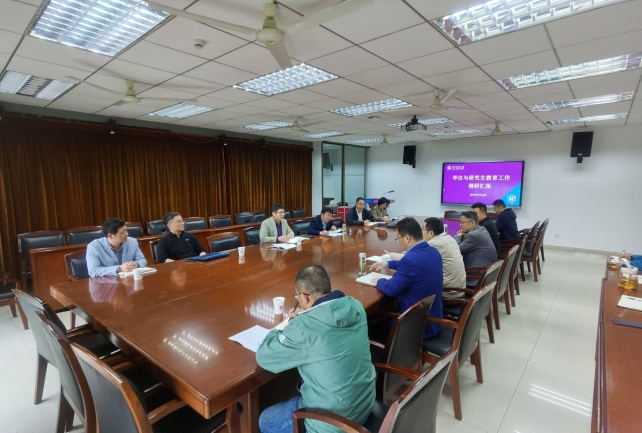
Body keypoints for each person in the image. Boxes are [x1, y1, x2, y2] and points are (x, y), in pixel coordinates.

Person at [256, 265, 375, 433]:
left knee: (267, 420)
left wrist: (285, 326)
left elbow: (264, 357)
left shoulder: (303, 327)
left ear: (305, 297)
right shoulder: (355, 306)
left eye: (297, 296)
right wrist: (304, 317)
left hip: (332, 424)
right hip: (364, 404)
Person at [369, 217, 443, 338]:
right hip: (434, 319)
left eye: (398, 238)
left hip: (414, 327)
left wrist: (379, 281)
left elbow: (392, 289)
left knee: (370, 325)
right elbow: (416, 266)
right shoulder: (434, 251)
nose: (398, 241)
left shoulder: (410, 260)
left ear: (407, 238)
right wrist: (388, 264)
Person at [423, 217, 466, 291]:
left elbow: (417, 260)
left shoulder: (434, 243)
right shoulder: (449, 238)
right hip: (459, 287)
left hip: (448, 292)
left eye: (423, 229)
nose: (422, 231)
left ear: (431, 233)